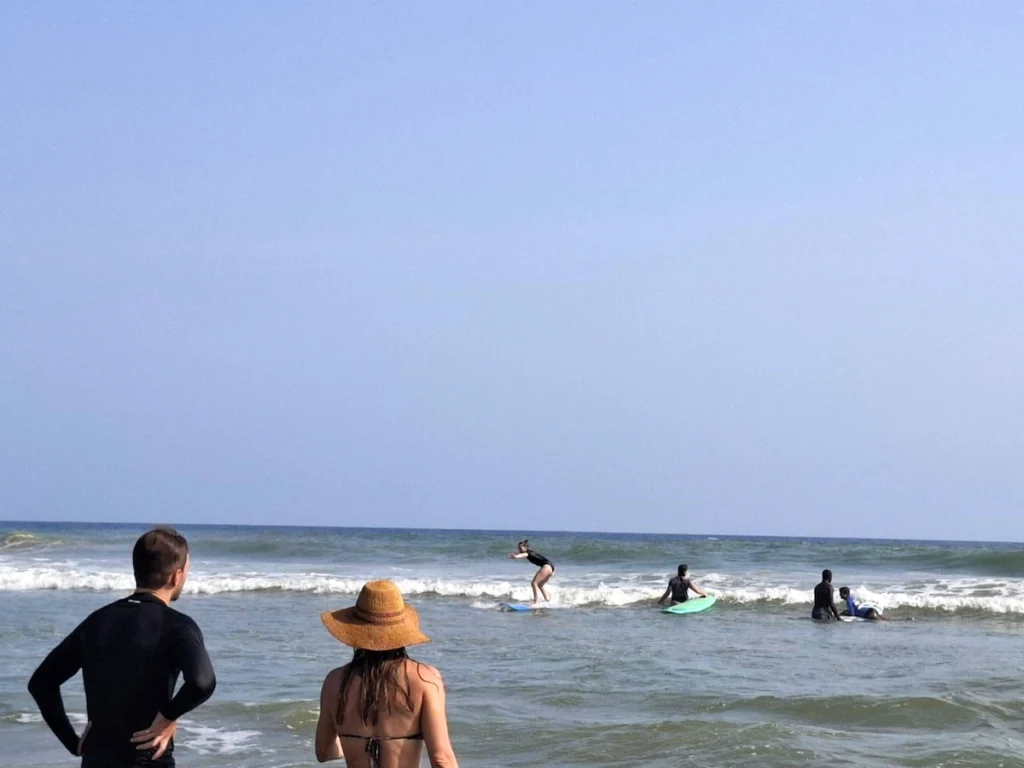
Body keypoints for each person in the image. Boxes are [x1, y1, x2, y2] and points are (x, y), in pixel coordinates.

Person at [27, 527, 216, 767]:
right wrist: (167, 716)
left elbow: (41, 683)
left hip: (97, 759)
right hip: (147, 758)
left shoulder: (97, 621)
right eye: (186, 571)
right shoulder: (179, 626)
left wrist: (72, 742)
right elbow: (202, 682)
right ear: (176, 577)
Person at [315, 580, 459, 768]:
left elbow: (324, 752)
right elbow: (441, 759)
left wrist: (352, 743)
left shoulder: (335, 681)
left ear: (355, 629)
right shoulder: (425, 679)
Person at [507, 539, 555, 604]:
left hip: (546, 567)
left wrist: (515, 556)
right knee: (540, 584)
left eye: (520, 548)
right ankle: (548, 599)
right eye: (518, 548)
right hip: (551, 568)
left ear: (525, 548)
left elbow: (523, 555)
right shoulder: (530, 552)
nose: (519, 550)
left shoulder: (528, 553)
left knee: (534, 583)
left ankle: (536, 602)